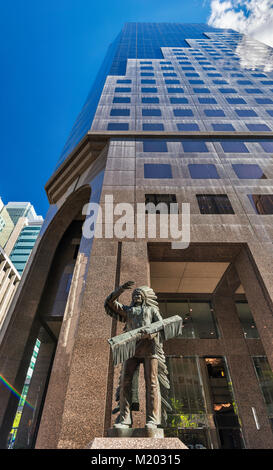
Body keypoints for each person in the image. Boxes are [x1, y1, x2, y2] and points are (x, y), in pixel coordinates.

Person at [104, 281, 169, 429]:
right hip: (131, 348)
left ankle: (153, 419)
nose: (137, 296)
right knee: (125, 381)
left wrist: (151, 333)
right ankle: (125, 418)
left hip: (150, 348)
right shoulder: (129, 311)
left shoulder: (151, 310)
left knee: (152, 383)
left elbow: (161, 325)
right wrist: (119, 290)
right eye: (134, 294)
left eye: (139, 294)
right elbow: (110, 303)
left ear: (145, 297)